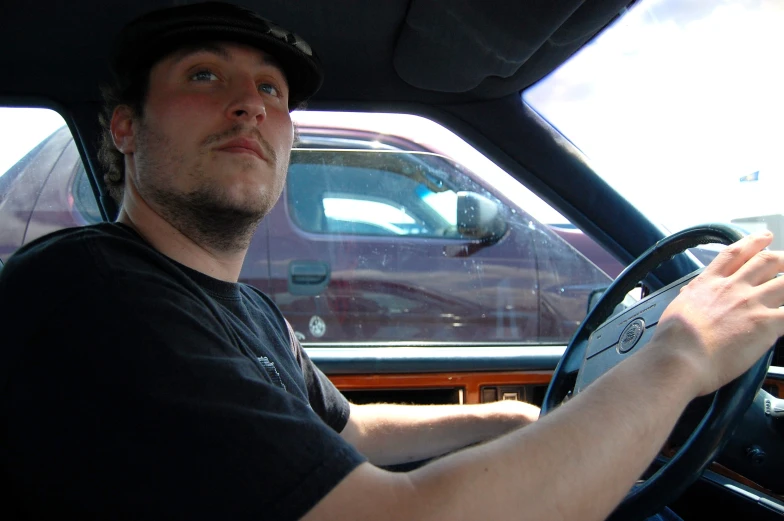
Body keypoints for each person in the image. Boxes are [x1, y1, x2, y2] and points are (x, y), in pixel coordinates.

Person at [0, 2, 781, 521]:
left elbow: (346, 428)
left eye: (272, 91)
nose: (251, 105)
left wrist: (505, 418)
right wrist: (680, 355)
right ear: (125, 130)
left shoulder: (237, 306)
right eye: (205, 77)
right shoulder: (96, 298)